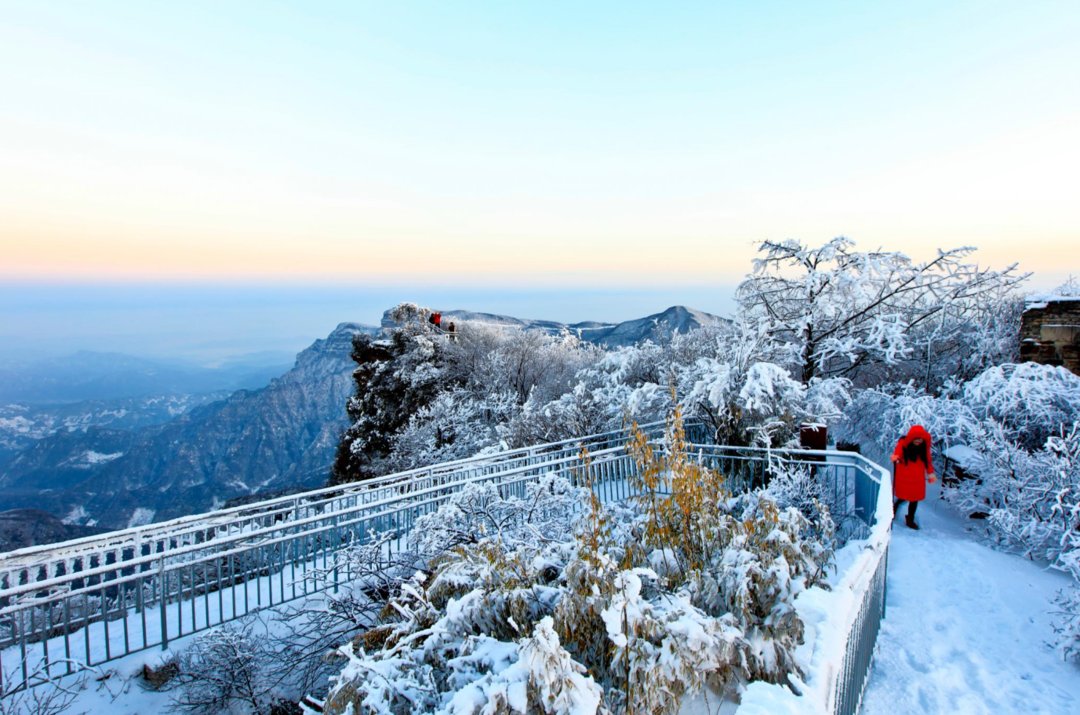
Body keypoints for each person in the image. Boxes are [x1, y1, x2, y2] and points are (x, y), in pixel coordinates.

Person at [891, 425, 936, 529]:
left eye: (920, 439)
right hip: (904, 477)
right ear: (911, 438)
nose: (918, 441)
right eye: (916, 438)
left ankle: (910, 519)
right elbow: (897, 453)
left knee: (914, 499)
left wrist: (930, 473)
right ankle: (892, 512)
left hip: (917, 479)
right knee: (902, 497)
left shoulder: (924, 448)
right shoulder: (903, 443)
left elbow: (928, 462)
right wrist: (896, 458)